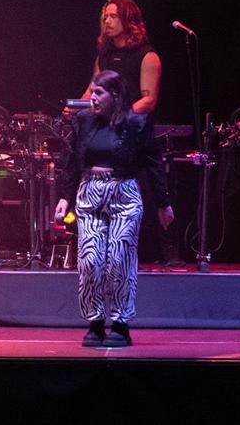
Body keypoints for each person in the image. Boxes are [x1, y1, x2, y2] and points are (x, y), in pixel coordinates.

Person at [57, 70, 170, 348]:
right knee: (91, 261)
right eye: (92, 92)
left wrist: (163, 203)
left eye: (98, 93)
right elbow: (71, 162)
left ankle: (120, 323)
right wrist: (64, 198)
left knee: (119, 259)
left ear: (115, 96)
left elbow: (153, 163)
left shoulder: (136, 122)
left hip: (124, 193)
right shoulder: (82, 122)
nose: (92, 98)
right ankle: (95, 323)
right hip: (90, 192)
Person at [82, 0, 179, 265]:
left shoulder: (147, 56)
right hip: (110, 135)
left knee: (154, 190)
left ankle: (169, 250)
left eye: (113, 16)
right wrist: (78, 109)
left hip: (137, 134)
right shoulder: (104, 54)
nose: (107, 21)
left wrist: (120, 115)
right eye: (105, 17)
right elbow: (93, 89)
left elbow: (149, 100)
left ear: (128, 20)